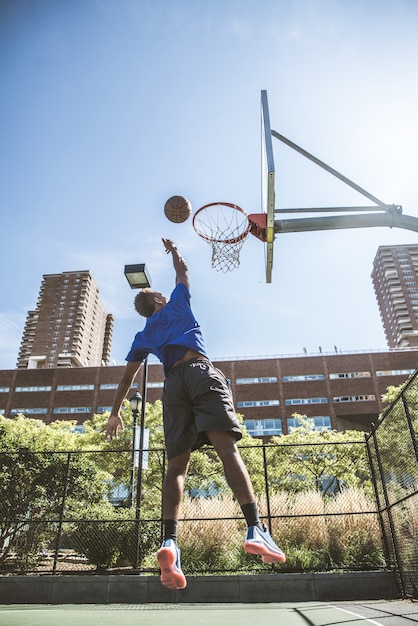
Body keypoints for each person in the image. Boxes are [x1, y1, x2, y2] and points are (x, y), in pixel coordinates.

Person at [106, 238, 286, 590]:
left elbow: (127, 376)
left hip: (172, 386)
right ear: (159, 299)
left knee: (176, 466)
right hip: (200, 373)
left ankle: (169, 541)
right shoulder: (175, 305)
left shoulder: (144, 334)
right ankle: (255, 529)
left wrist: (114, 413)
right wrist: (174, 251)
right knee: (227, 451)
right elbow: (183, 272)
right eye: (158, 292)